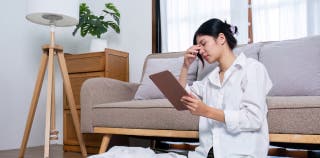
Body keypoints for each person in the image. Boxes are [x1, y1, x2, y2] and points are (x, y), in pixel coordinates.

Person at [179, 18, 273, 158]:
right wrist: (185, 66)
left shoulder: (252, 69)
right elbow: (181, 97)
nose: (201, 51)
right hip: (207, 153)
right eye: (198, 48)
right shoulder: (210, 79)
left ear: (221, 38)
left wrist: (207, 111)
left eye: (203, 44)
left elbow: (253, 119)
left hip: (242, 153)